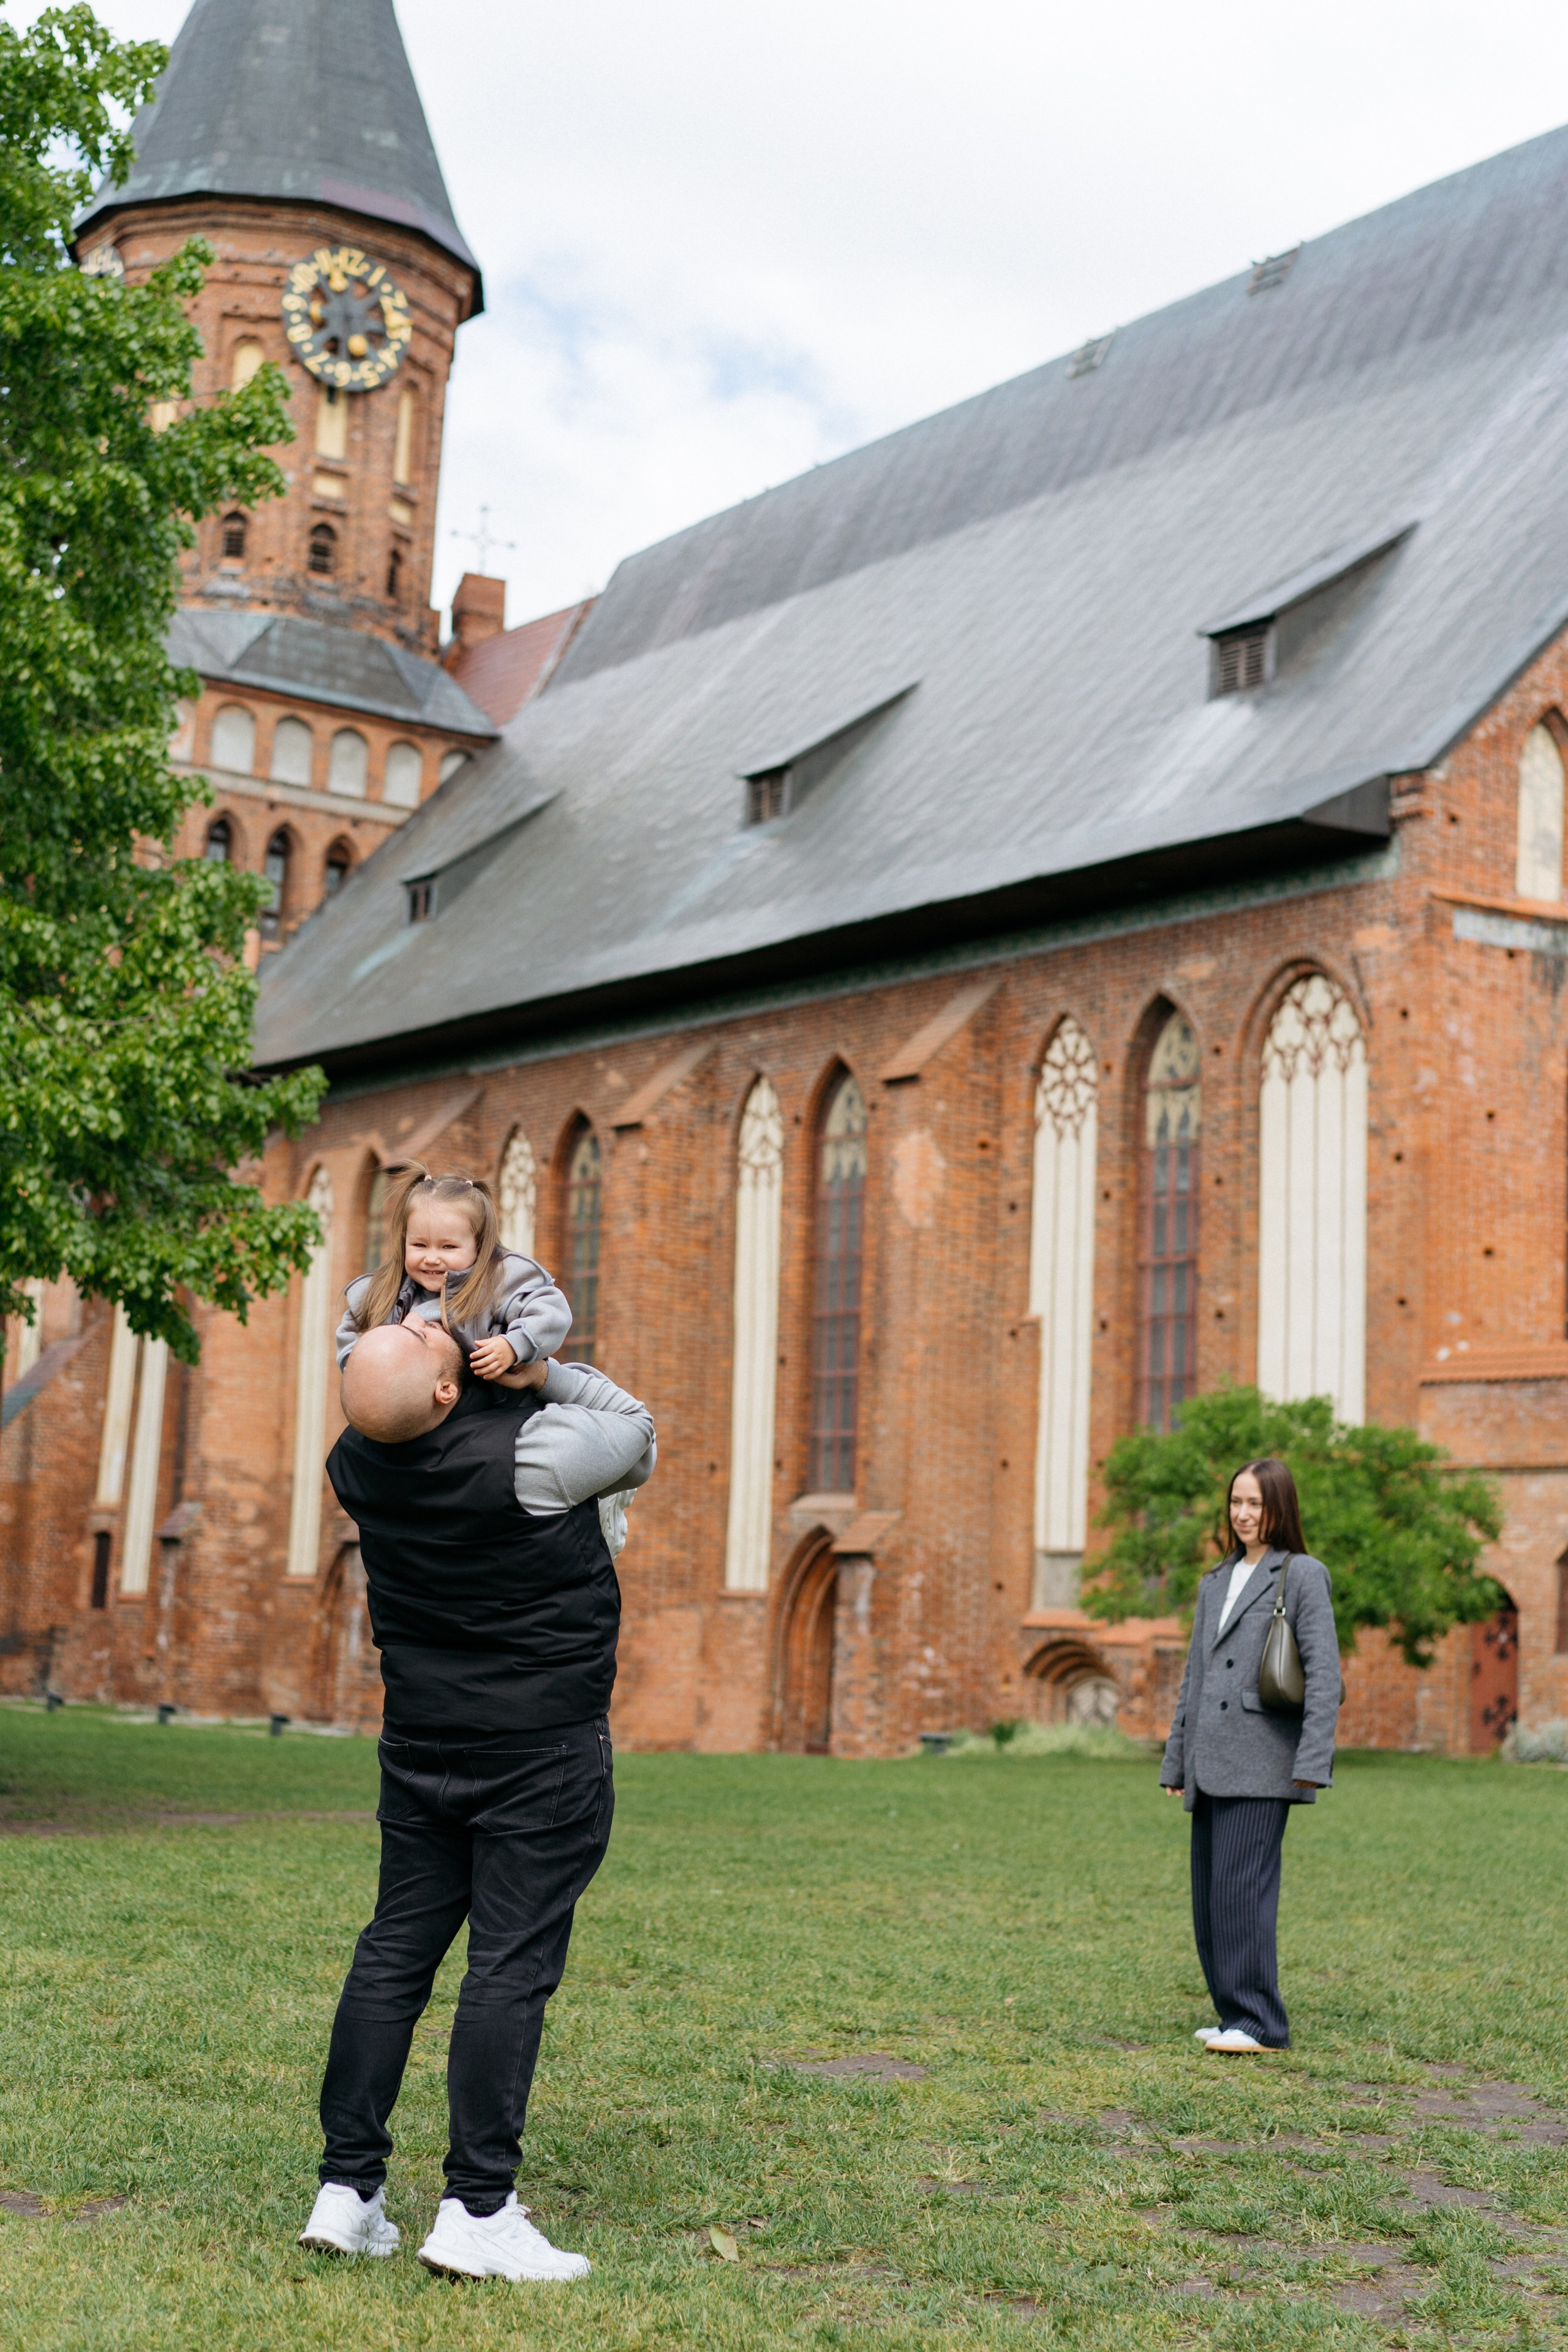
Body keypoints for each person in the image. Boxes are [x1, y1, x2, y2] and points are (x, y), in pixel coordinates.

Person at [296, 1317, 654, 2282]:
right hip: (539, 1750)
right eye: (423, 1332)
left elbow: (379, 1389)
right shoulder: (536, 1455)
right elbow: (636, 1427)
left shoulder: (355, 1464)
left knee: (394, 1952)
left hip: (420, 1742)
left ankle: (348, 2191)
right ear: (450, 1392)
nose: (427, 1316)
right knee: (508, 1967)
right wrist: (537, 1369)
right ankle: (477, 2209)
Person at [1159, 1457, 1339, 2054]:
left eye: (1255, 1504)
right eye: (1236, 1502)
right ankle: (1232, 2013)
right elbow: (1196, 1677)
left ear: (1278, 1508)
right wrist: (1175, 1761)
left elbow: (1324, 1674)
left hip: (1265, 1762)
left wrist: (1313, 1761)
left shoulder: (1303, 1574)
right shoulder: (1215, 1579)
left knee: (1243, 1892)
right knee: (1212, 1895)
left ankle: (1261, 2023)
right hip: (1210, 1761)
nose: (1242, 1514)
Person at [337, 1165, 571, 1382]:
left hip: (493, 1409)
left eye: (448, 1247)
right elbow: (354, 1332)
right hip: (416, 1411)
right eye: (419, 1245)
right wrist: (360, 1369)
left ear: (479, 1245)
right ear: (403, 1241)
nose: (431, 1258)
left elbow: (550, 1312)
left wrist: (513, 1345)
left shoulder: (499, 1281)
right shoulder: (385, 1292)